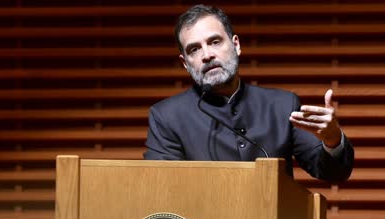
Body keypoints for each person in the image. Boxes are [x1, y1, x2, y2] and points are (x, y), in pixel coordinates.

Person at [144, 4, 354, 181]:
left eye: (215, 42)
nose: (207, 55)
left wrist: (332, 140)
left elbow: (332, 173)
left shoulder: (282, 105)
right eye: (194, 49)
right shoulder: (166, 117)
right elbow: (163, 187)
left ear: (236, 45)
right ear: (185, 64)